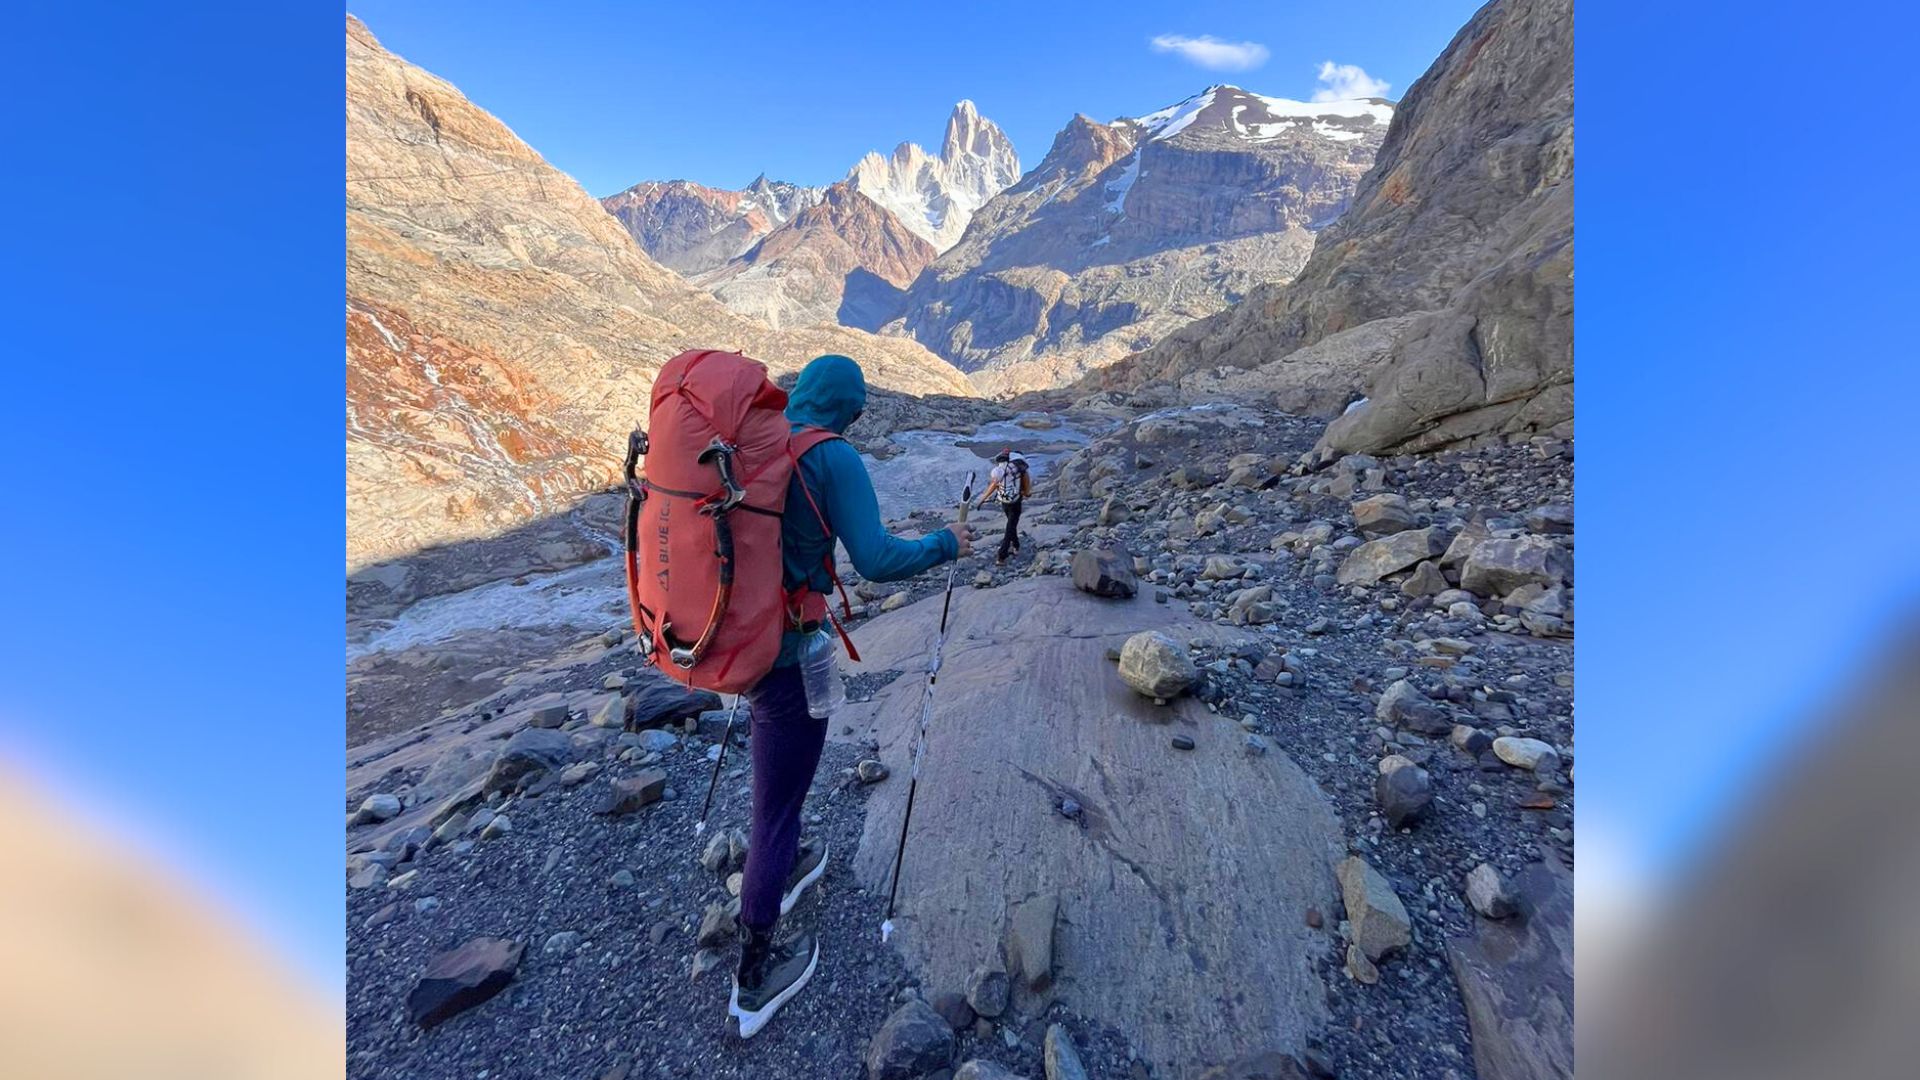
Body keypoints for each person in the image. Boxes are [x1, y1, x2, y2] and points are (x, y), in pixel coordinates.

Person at [729, 353, 971, 1038]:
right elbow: (875, 558)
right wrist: (944, 544)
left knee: (790, 762)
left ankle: (790, 861)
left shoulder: (762, 442)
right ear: (848, 407)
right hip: (787, 650)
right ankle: (752, 981)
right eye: (858, 411)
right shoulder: (833, 459)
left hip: (747, 639)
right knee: (773, 807)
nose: (859, 422)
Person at [976, 449, 1031, 564]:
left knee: (1011, 524)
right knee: (1011, 525)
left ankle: (1016, 545)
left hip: (1004, 501)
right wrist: (1026, 492)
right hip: (1015, 500)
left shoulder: (999, 470)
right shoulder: (1019, 469)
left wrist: (982, 499)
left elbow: (994, 484)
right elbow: (1026, 482)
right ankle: (1002, 555)